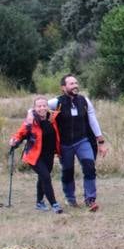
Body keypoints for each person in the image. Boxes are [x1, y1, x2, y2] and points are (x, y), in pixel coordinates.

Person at [53, 74, 108, 211]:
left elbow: (93, 120)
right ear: (63, 87)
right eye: (71, 84)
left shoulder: (84, 101)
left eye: (76, 83)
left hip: (82, 141)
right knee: (67, 171)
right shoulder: (56, 102)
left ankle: (90, 199)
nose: (75, 86)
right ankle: (70, 199)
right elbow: (36, 108)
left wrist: (100, 141)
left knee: (89, 167)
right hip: (65, 144)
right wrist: (31, 115)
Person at [10, 97, 65, 213]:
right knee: (46, 176)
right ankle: (54, 204)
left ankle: (39, 202)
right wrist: (14, 141)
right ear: (35, 108)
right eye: (39, 106)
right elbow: (20, 134)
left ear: (48, 106)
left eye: (44, 105)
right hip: (34, 156)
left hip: (49, 155)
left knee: (42, 178)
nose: (42, 108)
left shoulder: (52, 118)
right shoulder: (31, 121)